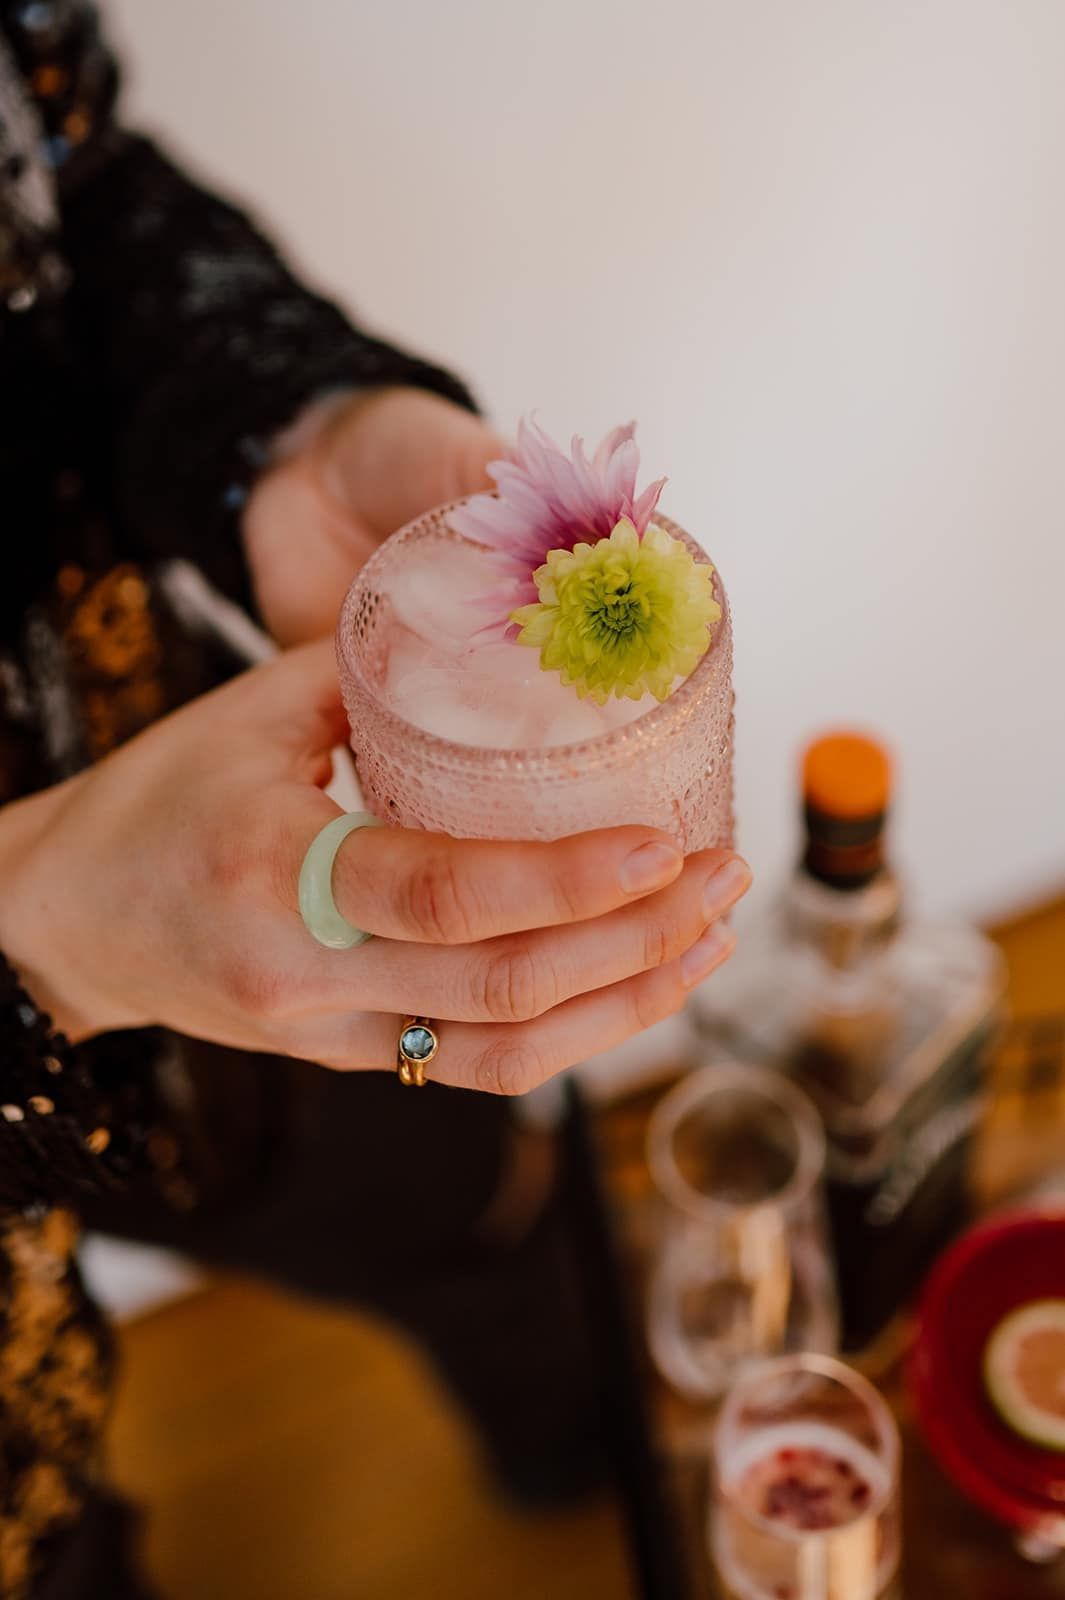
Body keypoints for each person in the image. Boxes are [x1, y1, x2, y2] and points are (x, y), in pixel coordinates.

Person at [0, 4, 750, 1595]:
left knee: (475, 1193)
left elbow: (75, 184)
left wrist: (293, 427)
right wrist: (38, 936)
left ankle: (568, 1449)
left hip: (193, 819)